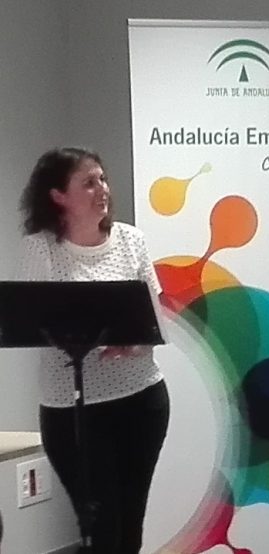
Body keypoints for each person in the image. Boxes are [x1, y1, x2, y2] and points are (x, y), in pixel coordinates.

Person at [17, 147, 170, 554]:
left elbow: (157, 319)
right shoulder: (41, 249)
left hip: (141, 401)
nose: (102, 189)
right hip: (73, 411)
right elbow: (32, 324)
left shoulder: (131, 241)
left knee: (130, 527)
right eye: (88, 182)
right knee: (102, 528)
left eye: (102, 179)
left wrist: (133, 341)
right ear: (58, 196)